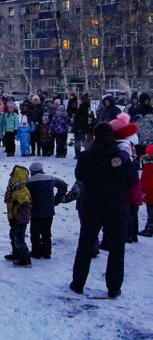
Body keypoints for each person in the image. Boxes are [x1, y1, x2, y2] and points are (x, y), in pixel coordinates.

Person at [70, 123, 138, 298]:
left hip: (92, 206)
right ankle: (114, 288)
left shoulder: (86, 156)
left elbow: (80, 176)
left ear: (95, 136)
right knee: (117, 250)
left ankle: (78, 283)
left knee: (85, 247)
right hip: (118, 208)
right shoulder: (121, 157)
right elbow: (132, 180)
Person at [25, 162, 67, 259]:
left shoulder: (28, 182)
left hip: (36, 211)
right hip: (49, 210)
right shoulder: (50, 178)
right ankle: (47, 252)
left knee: (35, 232)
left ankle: (36, 252)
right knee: (46, 232)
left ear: (31, 171)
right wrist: (56, 199)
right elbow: (63, 185)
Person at [4, 165, 32, 268]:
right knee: (13, 236)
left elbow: (26, 207)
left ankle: (25, 259)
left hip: (20, 220)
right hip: (14, 218)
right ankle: (16, 254)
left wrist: (19, 219)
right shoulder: (13, 189)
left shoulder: (21, 191)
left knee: (19, 239)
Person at [139, 144, 153, 237]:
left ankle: (149, 228)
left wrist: (143, 191)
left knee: (151, 211)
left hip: (150, 192)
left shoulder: (149, 166)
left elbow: (146, 179)